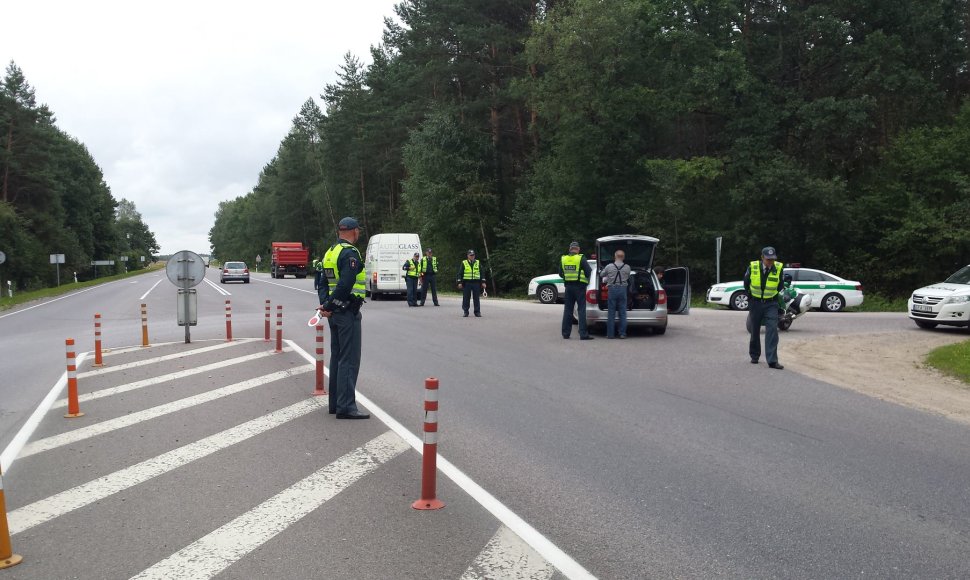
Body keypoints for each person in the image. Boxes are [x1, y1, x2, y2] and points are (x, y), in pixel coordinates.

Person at [316, 217, 370, 419]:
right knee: (349, 359)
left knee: (337, 357)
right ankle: (346, 407)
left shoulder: (330, 252)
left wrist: (326, 306)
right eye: (359, 231)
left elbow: (322, 283)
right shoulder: (350, 253)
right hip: (347, 313)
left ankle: (335, 405)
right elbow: (345, 285)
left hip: (334, 314)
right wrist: (329, 306)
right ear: (355, 231)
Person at [744, 246, 785, 370]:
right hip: (756, 303)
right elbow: (746, 284)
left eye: (772, 259)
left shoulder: (778, 268)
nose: (770, 262)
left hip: (771, 303)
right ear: (762, 258)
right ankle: (755, 355)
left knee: (772, 330)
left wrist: (773, 297)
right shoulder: (753, 267)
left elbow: (780, 285)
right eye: (768, 259)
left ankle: (772, 360)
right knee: (755, 329)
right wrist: (751, 299)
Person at [560, 241, 594, 340]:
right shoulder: (581, 258)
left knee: (568, 310)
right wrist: (584, 279)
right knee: (581, 310)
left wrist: (568, 277)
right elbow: (589, 272)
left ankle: (566, 334)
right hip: (579, 287)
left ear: (570, 249)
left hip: (568, 288)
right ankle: (583, 334)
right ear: (578, 249)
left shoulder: (563, 259)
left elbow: (560, 273)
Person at [599, 249, 631, 339]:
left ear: (615, 256)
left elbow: (601, 275)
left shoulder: (609, 266)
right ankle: (622, 333)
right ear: (623, 257)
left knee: (611, 312)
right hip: (623, 289)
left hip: (612, 289)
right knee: (622, 312)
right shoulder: (627, 267)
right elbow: (628, 276)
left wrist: (608, 276)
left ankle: (610, 334)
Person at [456, 249, 486, 317]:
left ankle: (477, 312)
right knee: (466, 297)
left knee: (476, 298)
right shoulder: (464, 263)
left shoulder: (478, 262)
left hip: (476, 283)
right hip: (467, 283)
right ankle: (465, 311)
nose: (472, 256)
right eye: (471, 255)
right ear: (468, 256)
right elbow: (460, 273)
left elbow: (482, 273)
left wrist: (483, 282)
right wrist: (459, 282)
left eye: (473, 255)